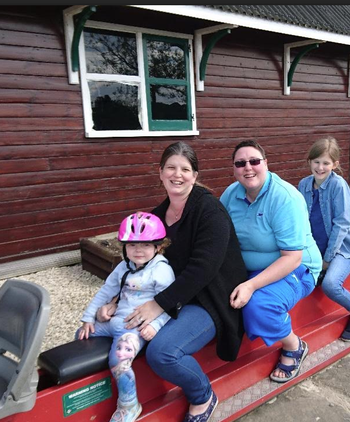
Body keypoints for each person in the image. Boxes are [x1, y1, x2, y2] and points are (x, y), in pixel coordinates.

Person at [97, 141, 247, 422]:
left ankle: (203, 395)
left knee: (162, 353)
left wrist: (158, 305)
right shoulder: (155, 217)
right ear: (160, 172)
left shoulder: (209, 211)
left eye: (185, 169)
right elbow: (135, 263)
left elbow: (203, 269)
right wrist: (114, 300)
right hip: (173, 296)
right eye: (171, 168)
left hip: (209, 299)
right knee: (106, 326)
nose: (177, 175)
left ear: (195, 176)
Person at [220, 140, 322, 383]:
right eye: (240, 163)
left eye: (255, 161)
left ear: (266, 163)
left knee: (257, 304)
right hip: (250, 268)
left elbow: (292, 257)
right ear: (233, 169)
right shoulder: (230, 194)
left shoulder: (284, 197)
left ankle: (294, 345)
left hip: (297, 268)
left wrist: (250, 285)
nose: (248, 168)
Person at [77, 211, 175, 422]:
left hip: (134, 327)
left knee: (120, 359)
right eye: (132, 245)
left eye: (146, 245)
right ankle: (91, 390)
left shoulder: (161, 271)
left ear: (158, 246)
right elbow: (106, 290)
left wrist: (156, 326)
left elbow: (170, 304)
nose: (138, 250)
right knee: (82, 335)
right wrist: (88, 318)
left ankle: (129, 404)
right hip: (114, 322)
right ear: (124, 247)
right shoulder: (124, 266)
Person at [297, 137, 350, 342]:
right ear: (309, 162)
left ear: (334, 164)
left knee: (330, 284)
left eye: (326, 163)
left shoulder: (339, 186)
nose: (320, 167)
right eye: (316, 161)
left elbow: (342, 225)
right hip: (313, 249)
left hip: (341, 250)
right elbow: (299, 219)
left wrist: (327, 258)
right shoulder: (304, 184)